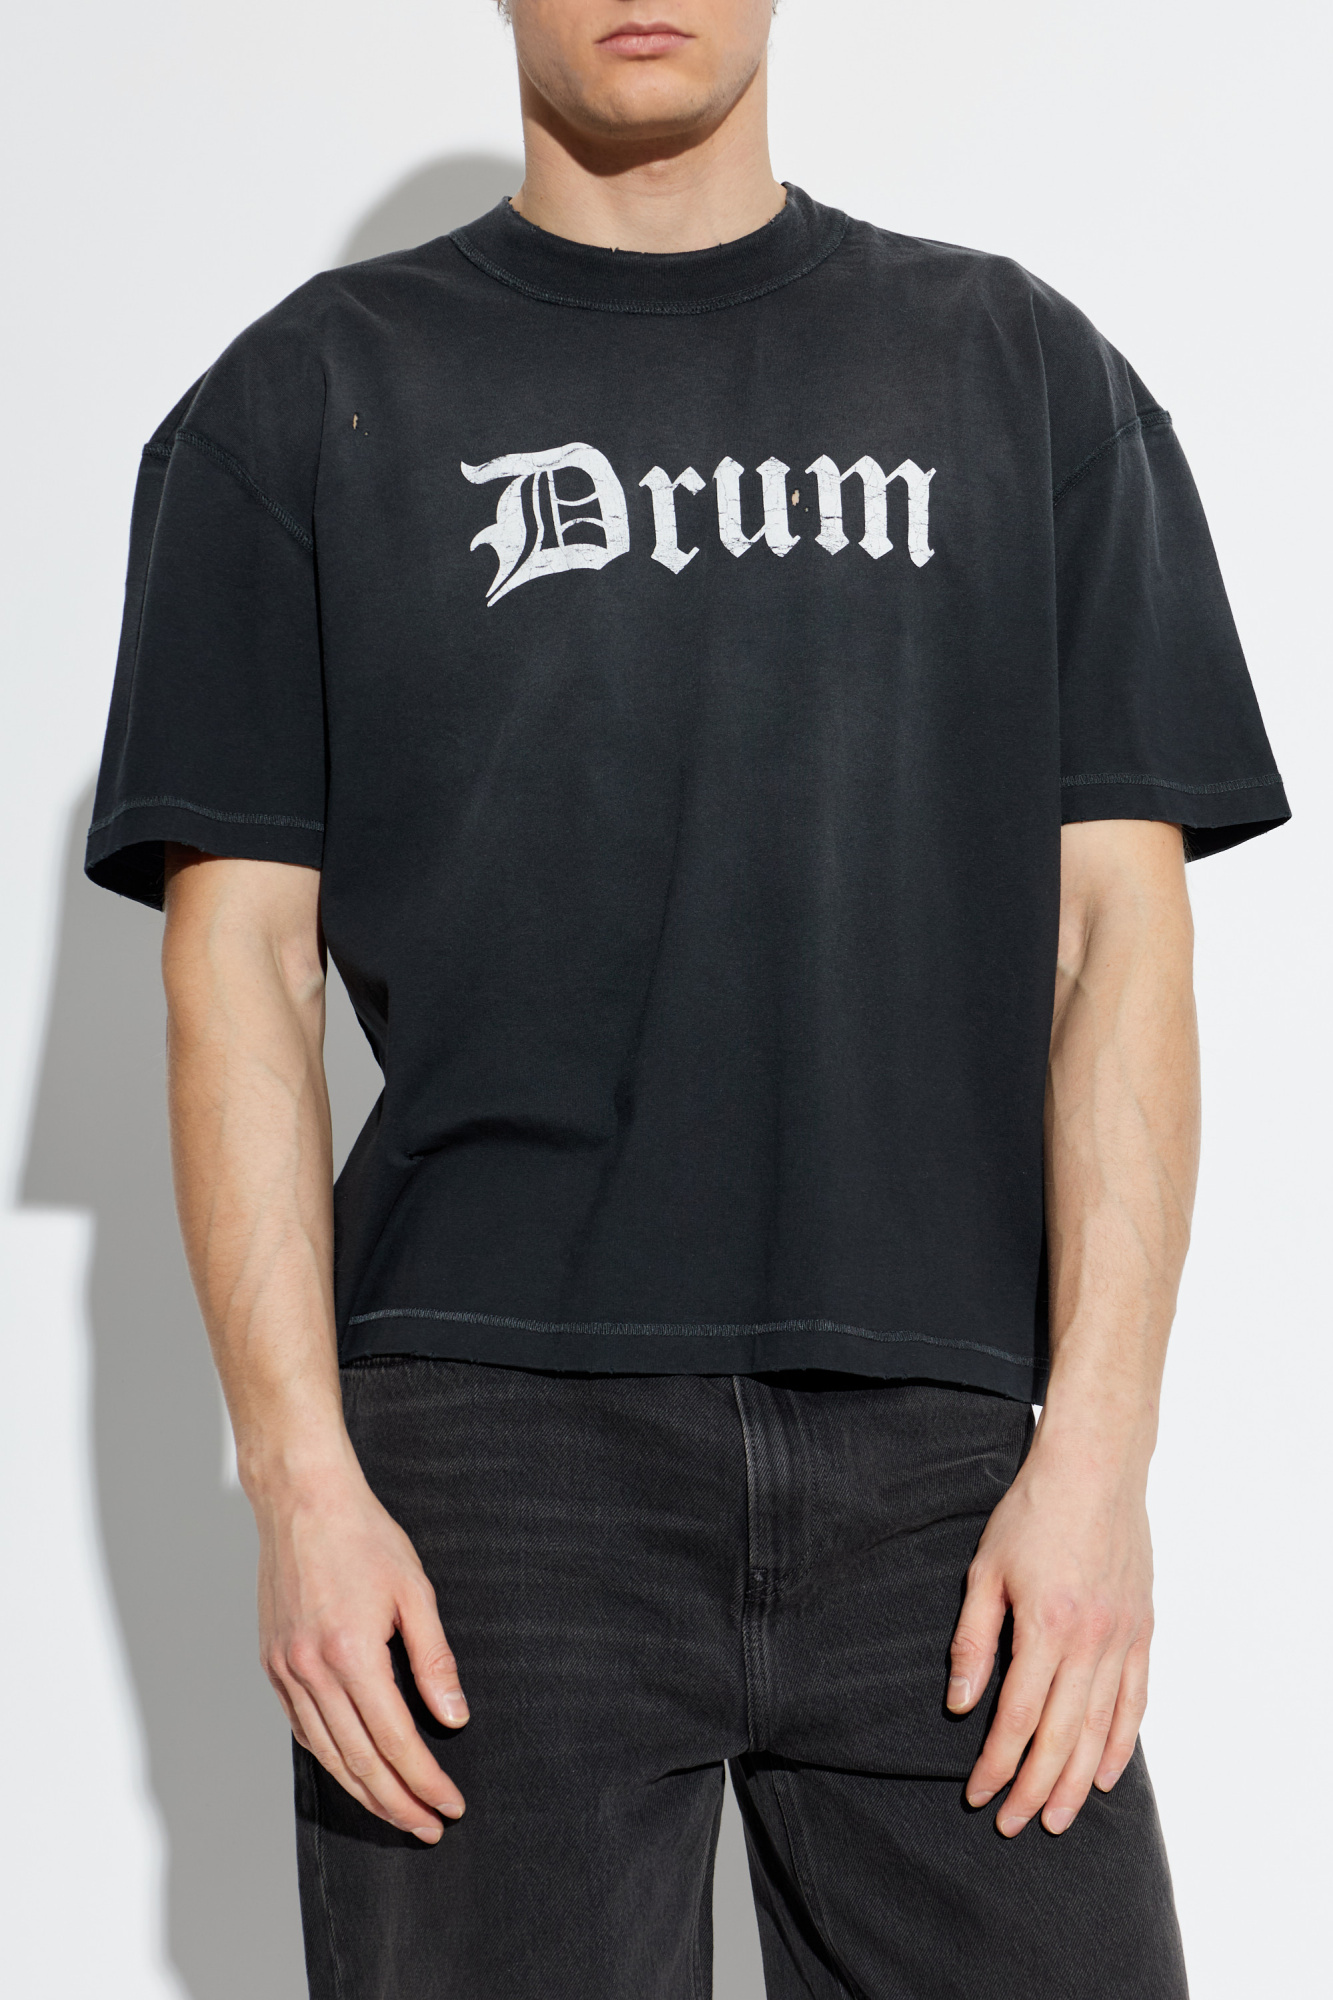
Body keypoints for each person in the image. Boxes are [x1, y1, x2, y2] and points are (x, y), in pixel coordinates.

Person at [85, 2, 1288, 1993]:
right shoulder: (304, 397)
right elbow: (235, 967)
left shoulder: (1017, 374)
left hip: (949, 1461)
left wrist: (1096, 1461)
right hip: (485, 1473)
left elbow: (1118, 944)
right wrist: (301, 1485)